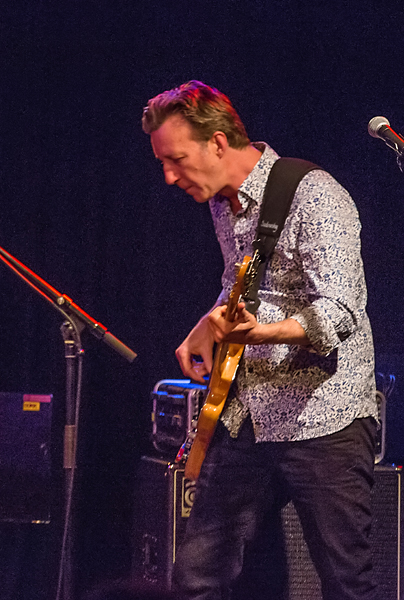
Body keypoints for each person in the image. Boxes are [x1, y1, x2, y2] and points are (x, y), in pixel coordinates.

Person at [141, 80, 377, 600]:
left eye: (177, 159)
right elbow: (245, 282)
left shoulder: (315, 195)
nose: (169, 176)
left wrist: (260, 333)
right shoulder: (221, 204)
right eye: (162, 163)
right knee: (196, 579)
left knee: (347, 585)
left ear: (217, 143)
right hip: (248, 416)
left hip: (323, 418)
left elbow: (341, 310)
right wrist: (208, 322)